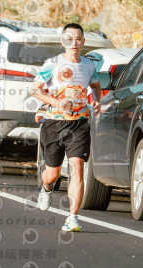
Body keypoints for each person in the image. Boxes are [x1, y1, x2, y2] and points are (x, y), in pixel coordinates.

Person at [31, 23, 101, 232]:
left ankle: (73, 218)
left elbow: (96, 86)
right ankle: (47, 188)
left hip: (79, 122)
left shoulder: (88, 66)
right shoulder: (52, 64)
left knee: (77, 166)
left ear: (83, 42)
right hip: (54, 122)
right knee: (52, 174)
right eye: (69, 39)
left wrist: (96, 101)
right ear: (63, 41)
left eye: (78, 39)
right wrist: (57, 102)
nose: (74, 43)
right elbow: (35, 90)